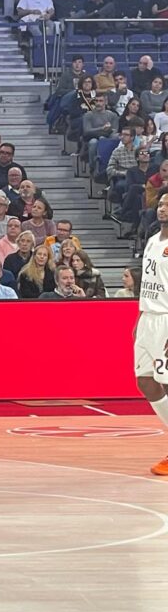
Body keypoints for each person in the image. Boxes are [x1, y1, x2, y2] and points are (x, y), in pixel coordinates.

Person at [133, 194, 168, 475]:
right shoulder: (152, 240)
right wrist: (140, 316)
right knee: (145, 381)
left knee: (167, 383)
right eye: (161, 204)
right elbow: (148, 283)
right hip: (149, 317)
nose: (163, 208)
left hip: (167, 320)